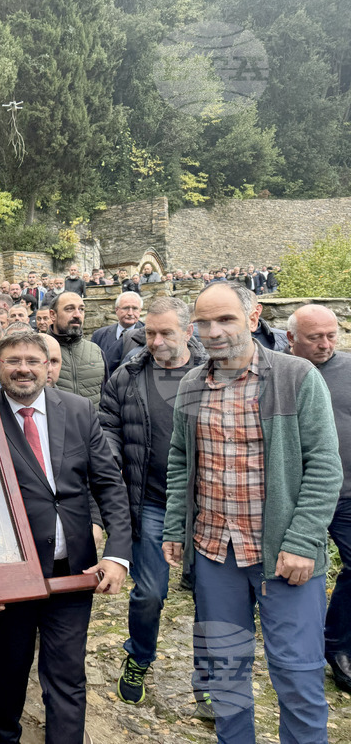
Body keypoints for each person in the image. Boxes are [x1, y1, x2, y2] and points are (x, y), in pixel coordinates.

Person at [162, 282, 342, 744]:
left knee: (298, 676)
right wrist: (175, 527)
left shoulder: (296, 376)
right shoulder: (190, 384)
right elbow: (182, 461)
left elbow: (325, 465)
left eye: (225, 319)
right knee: (225, 677)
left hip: (284, 558)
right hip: (215, 554)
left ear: (253, 314)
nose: (214, 331)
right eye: (203, 322)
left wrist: (303, 542)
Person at [0, 332, 131, 744]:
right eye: (13, 360)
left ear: (50, 366)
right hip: (10, 575)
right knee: (7, 672)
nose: (24, 368)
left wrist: (118, 554)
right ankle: (6, 737)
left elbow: (108, 485)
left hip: (73, 572)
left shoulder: (80, 410)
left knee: (67, 676)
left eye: (33, 360)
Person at [98, 297, 210, 712]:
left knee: (210, 596)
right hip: (149, 501)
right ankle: (139, 658)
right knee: (148, 593)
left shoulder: (212, 373)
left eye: (166, 332)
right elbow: (107, 423)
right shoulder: (128, 374)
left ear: (188, 331)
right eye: (150, 333)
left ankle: (209, 676)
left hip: (205, 504)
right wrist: (111, 463)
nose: (157, 341)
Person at [286, 305, 351, 692]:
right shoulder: (278, 372)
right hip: (294, 497)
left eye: (332, 335)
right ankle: (298, 651)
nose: (325, 344)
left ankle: (338, 643)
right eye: (315, 337)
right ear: (291, 338)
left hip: (347, 493)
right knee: (293, 575)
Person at [49, 292, 106, 407]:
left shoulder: (95, 351)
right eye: (70, 309)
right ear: (53, 315)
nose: (77, 315)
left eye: (81, 309)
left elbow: (107, 399)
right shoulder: (39, 350)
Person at [90, 291, 144, 375]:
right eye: (125, 308)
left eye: (135, 308)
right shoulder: (99, 335)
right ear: (116, 310)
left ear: (140, 310)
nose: (130, 313)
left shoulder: (147, 335)